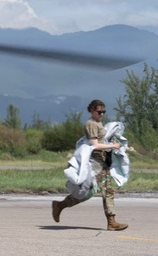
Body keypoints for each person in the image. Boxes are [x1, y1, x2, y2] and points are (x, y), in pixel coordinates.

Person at [51, 99, 128, 231]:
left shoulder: (98, 122)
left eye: (104, 111)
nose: (102, 114)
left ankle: (111, 221)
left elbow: (101, 139)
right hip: (95, 162)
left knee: (107, 190)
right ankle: (61, 205)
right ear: (91, 110)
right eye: (99, 111)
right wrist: (112, 145)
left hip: (102, 161)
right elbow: (95, 145)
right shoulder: (91, 124)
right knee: (88, 192)